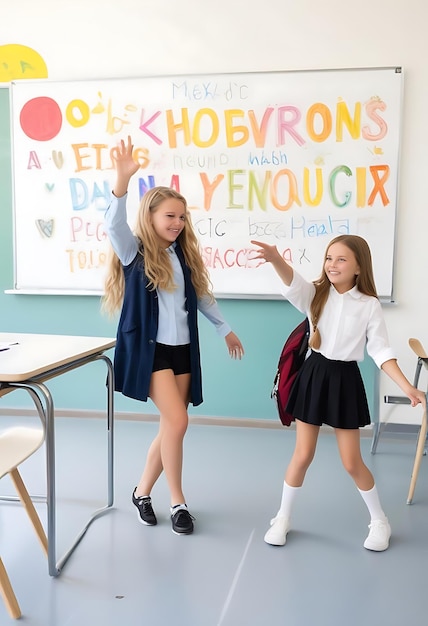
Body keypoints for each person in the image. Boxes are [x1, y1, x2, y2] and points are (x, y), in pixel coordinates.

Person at [103, 136, 244, 535]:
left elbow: (200, 296)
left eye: (182, 217)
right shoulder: (134, 252)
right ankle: (178, 501)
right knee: (178, 421)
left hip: (183, 350)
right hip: (151, 353)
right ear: (150, 217)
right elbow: (112, 224)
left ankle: (141, 492)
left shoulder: (182, 255)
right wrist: (121, 181)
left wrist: (225, 329)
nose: (177, 223)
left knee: (171, 425)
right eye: (169, 216)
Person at [251, 235, 426, 551]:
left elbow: (382, 350)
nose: (332, 264)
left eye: (341, 259)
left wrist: (407, 386)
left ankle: (379, 521)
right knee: (302, 455)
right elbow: (293, 281)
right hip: (314, 375)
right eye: (329, 258)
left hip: (345, 381)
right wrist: (276, 259)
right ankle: (283, 517)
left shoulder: (369, 305)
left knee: (351, 461)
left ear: (359, 266)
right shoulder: (316, 294)